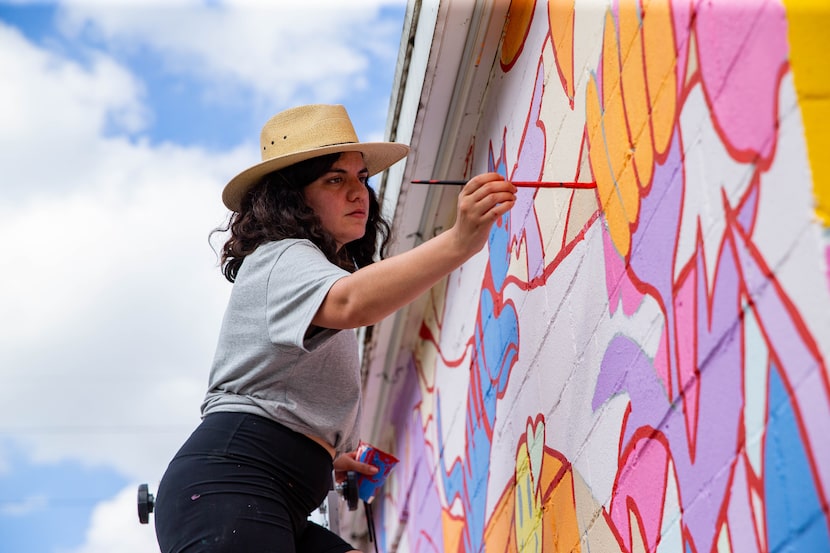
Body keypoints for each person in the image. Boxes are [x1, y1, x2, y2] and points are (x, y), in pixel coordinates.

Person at [153, 104, 516, 553]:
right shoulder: (280, 255)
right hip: (233, 489)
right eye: (334, 179)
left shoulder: (306, 271)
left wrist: (320, 455)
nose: (357, 192)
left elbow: (274, 393)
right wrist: (461, 240)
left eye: (361, 178)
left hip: (264, 492)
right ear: (291, 197)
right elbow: (352, 302)